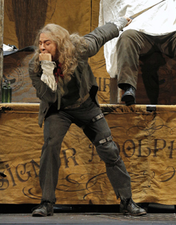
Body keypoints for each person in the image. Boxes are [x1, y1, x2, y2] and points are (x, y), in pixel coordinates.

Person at [29, 20, 146, 217]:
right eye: (40, 43)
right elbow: (48, 96)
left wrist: (117, 25)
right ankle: (46, 202)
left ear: (59, 42)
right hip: (58, 109)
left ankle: (127, 201)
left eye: (47, 43)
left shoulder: (78, 49)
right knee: (50, 147)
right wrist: (47, 68)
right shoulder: (36, 66)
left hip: (85, 106)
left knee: (109, 149)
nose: (42, 47)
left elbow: (98, 36)